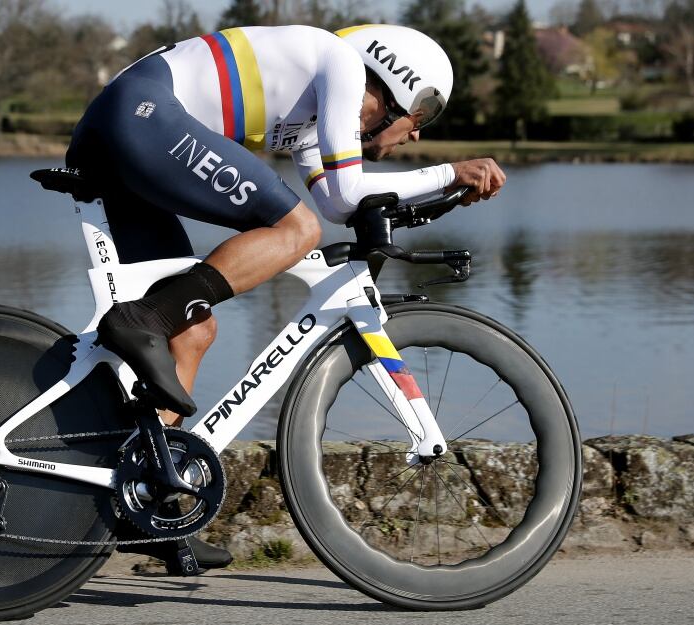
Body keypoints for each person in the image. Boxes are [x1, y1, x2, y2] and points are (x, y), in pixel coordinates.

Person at [66, 23, 506, 574]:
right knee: (294, 232)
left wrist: (441, 189)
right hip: (142, 115)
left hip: (122, 124)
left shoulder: (307, 118)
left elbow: (339, 203)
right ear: (395, 88)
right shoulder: (341, 65)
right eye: (422, 117)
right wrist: (448, 170)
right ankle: (144, 317)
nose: (415, 135)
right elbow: (341, 200)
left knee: (193, 331)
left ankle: (144, 507)